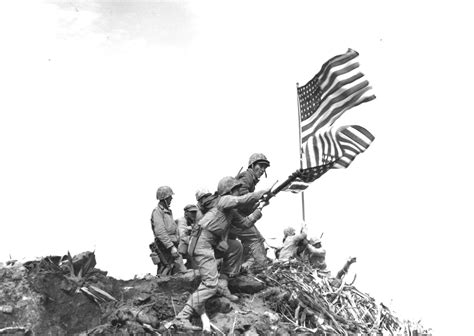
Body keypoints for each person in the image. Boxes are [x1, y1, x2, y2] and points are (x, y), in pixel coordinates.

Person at [172, 176, 266, 331]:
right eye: (236, 190)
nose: (238, 192)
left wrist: (259, 209)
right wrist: (258, 194)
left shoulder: (230, 210)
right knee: (209, 284)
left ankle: (223, 283)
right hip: (201, 243)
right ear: (228, 192)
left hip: (212, 243)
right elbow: (241, 200)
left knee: (235, 246)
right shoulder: (222, 201)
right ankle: (181, 318)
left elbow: (245, 224)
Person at [229, 153, 271, 273]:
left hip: (235, 217)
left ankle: (243, 269)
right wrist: (258, 198)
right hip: (235, 218)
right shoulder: (247, 176)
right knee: (256, 239)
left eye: (265, 167)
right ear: (252, 165)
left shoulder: (250, 179)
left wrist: (259, 203)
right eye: (260, 166)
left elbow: (245, 204)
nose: (263, 170)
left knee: (249, 244)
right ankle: (262, 270)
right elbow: (241, 197)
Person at [150, 186, 186, 275]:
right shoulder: (158, 212)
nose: (171, 198)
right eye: (170, 197)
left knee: (176, 270)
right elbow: (160, 232)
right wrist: (171, 247)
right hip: (164, 247)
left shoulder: (167, 211)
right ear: (164, 198)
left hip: (172, 244)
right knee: (166, 269)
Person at [176, 204, 199, 269]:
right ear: (186, 213)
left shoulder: (194, 221)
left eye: (195, 212)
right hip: (177, 246)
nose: (194, 214)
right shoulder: (182, 220)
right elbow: (182, 236)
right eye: (192, 212)